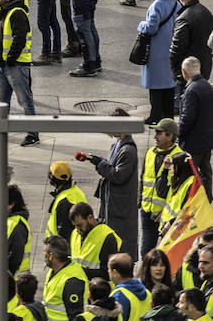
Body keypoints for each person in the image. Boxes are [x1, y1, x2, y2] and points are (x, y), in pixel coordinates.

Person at [78, 117, 139, 258]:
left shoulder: (128, 150)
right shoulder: (116, 146)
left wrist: (101, 164)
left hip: (120, 208)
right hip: (111, 204)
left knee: (119, 245)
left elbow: (118, 175)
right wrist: (101, 162)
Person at [0, 0, 39, 146]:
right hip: (3, 65)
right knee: (1, 102)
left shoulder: (17, 13)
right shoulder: (4, 12)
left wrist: (10, 59)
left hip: (15, 66)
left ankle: (33, 134)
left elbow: (20, 39)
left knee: (25, 100)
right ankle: (1, 131)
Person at [136, 0, 181, 124]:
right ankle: (168, 117)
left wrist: (141, 25)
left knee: (155, 87)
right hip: (171, 49)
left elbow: (151, 28)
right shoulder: (177, 5)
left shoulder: (157, 5)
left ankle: (154, 116)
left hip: (156, 51)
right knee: (169, 86)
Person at [140, 121, 183, 258]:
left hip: (165, 217)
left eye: (159, 133)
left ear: (170, 136)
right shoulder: (150, 153)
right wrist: (139, 202)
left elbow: (179, 191)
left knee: (166, 256)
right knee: (146, 254)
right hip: (147, 211)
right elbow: (143, 178)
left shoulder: (179, 158)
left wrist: (165, 211)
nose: (155, 137)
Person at [179, 57, 213, 195]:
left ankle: (193, 201)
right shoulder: (206, 85)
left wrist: (179, 133)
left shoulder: (191, 90)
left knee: (190, 174)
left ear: (184, 72)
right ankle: (207, 197)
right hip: (207, 139)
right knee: (206, 171)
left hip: (193, 141)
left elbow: (187, 118)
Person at [171, 0, 213, 87]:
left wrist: (170, 65)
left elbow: (177, 47)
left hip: (188, 69)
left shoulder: (184, 18)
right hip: (204, 67)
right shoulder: (206, 12)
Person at [42, 236, 89, 321]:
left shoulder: (72, 281)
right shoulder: (54, 271)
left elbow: (75, 320)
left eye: (44, 252)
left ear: (51, 256)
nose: (43, 254)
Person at [69, 203, 121, 278]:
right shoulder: (75, 233)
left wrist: (79, 271)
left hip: (99, 287)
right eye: (75, 225)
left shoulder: (107, 237)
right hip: (80, 286)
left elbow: (108, 273)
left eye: (79, 225)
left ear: (90, 218)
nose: (77, 229)